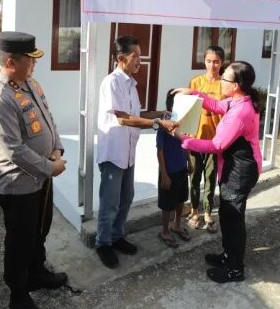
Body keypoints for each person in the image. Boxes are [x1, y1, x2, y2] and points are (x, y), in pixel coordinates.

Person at [0, 32, 68, 309]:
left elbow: (48, 119)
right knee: (20, 240)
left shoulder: (30, 83)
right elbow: (13, 149)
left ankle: (37, 273)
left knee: (40, 231)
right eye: (30, 59)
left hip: (42, 177)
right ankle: (17, 293)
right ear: (10, 61)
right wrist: (50, 167)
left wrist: (58, 149)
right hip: (19, 184)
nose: (34, 64)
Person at [172, 61, 263, 284]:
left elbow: (216, 145)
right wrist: (193, 92)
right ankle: (228, 256)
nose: (220, 80)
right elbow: (215, 105)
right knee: (227, 214)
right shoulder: (236, 100)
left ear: (237, 85)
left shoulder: (241, 112)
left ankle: (235, 269)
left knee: (233, 218)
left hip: (240, 171)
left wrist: (185, 140)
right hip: (234, 167)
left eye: (225, 79)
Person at [95, 35, 177, 269]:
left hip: (128, 152)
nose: (140, 61)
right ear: (121, 58)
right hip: (113, 153)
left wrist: (160, 114)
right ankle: (103, 243)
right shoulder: (111, 82)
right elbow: (122, 118)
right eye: (135, 57)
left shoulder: (130, 84)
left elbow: (137, 114)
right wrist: (156, 124)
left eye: (140, 56)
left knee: (126, 197)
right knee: (110, 202)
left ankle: (117, 237)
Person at [186, 45, 224, 233]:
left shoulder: (224, 84)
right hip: (195, 138)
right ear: (204, 61)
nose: (212, 65)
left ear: (222, 63)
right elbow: (187, 108)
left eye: (216, 61)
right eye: (209, 61)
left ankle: (208, 212)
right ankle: (194, 211)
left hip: (214, 140)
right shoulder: (195, 82)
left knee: (210, 177)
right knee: (194, 177)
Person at [156, 90, 192, 248]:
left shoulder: (184, 121)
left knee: (181, 199)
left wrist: (189, 162)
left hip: (181, 168)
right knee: (166, 204)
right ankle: (164, 231)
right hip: (169, 172)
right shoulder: (165, 124)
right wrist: (164, 175)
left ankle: (176, 225)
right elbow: (160, 150)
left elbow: (186, 143)